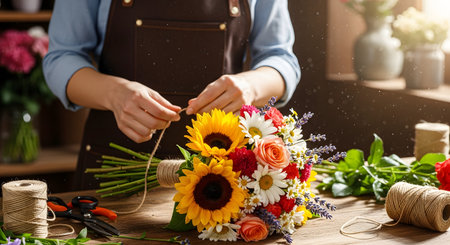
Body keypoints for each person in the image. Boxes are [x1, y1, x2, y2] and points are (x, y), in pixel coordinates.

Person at [43, 0, 300, 190]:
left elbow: (281, 59)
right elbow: (60, 58)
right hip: (112, 174)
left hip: (220, 181)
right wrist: (114, 93)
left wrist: (251, 86)